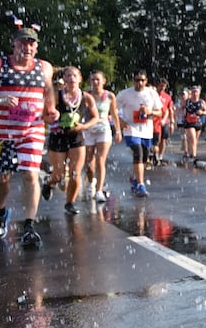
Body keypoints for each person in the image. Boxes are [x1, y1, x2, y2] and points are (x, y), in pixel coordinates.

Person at [0, 21, 57, 248]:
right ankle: (1, 213)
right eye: (22, 43)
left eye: (31, 44)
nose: (27, 48)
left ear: (36, 47)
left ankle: (29, 226)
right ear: (14, 44)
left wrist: (51, 109)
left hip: (32, 130)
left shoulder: (44, 67)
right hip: (1, 131)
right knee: (1, 180)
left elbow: (49, 90)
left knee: (30, 175)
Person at [41, 66, 100, 216]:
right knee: (59, 174)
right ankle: (49, 183)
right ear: (64, 79)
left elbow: (96, 117)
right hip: (58, 136)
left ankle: (70, 203)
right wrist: (51, 119)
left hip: (77, 136)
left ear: (80, 79)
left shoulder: (86, 97)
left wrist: (84, 126)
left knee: (75, 173)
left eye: (74, 75)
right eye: (68, 75)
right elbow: (44, 116)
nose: (71, 78)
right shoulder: (56, 95)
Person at [115, 71, 161, 197]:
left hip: (146, 129)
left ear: (146, 81)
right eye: (137, 80)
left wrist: (149, 112)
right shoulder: (124, 94)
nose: (139, 83)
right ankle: (141, 185)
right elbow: (113, 108)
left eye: (142, 80)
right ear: (132, 80)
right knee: (138, 152)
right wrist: (121, 121)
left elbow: (160, 112)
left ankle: (136, 177)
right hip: (131, 128)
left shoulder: (151, 93)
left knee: (145, 156)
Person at [82, 71, 119, 202]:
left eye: (98, 79)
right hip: (88, 130)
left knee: (100, 160)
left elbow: (114, 113)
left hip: (103, 129)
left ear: (104, 81)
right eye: (92, 80)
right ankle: (91, 182)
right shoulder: (86, 95)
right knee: (89, 162)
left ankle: (99, 190)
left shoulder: (109, 96)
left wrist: (118, 131)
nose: (95, 82)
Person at [178, 85, 206, 164]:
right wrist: (178, 114)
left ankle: (191, 153)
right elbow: (181, 108)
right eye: (193, 92)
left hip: (198, 123)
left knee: (194, 141)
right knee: (193, 139)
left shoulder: (202, 102)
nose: (195, 94)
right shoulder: (187, 101)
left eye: (196, 92)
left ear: (199, 93)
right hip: (189, 122)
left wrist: (202, 112)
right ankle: (194, 156)